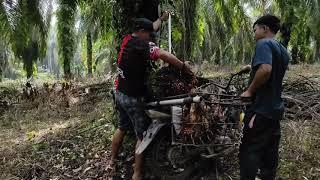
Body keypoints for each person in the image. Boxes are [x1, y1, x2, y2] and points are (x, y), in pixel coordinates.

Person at [109, 16, 194, 180]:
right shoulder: (143, 45)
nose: (151, 36)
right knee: (143, 136)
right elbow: (163, 54)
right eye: (149, 34)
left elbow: (153, 26)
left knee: (122, 126)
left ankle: (112, 160)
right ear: (141, 32)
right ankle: (137, 174)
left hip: (119, 92)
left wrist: (161, 19)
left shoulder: (128, 39)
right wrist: (184, 67)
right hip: (133, 98)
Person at [239, 14, 290, 180]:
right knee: (270, 153)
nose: (254, 34)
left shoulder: (263, 43)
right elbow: (271, 68)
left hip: (259, 110)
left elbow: (266, 69)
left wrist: (250, 91)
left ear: (265, 29)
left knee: (249, 150)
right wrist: (251, 67)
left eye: (255, 30)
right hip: (274, 110)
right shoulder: (282, 49)